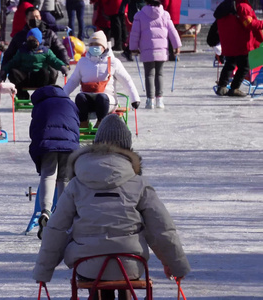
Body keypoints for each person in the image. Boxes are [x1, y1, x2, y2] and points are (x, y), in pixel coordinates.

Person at [33, 114, 191, 300]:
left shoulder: (76, 184)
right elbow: (162, 228)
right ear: (127, 149)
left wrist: (43, 272)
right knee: (123, 272)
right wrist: (175, 265)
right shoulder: (138, 183)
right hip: (131, 263)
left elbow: (56, 229)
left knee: (96, 273)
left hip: (88, 264)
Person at [28, 85, 80, 240]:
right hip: (69, 145)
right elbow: (76, 125)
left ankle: (45, 211)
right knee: (64, 178)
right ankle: (62, 214)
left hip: (47, 145)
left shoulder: (41, 104)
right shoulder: (70, 103)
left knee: (47, 176)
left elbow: (34, 130)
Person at [64, 31, 140, 128]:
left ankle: (101, 123)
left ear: (104, 46)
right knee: (80, 97)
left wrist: (135, 99)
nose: (93, 47)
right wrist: (61, 95)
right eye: (91, 44)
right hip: (88, 100)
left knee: (101, 98)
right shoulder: (83, 62)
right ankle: (83, 123)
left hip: (107, 101)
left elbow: (126, 80)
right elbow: (73, 81)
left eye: (97, 44)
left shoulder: (113, 62)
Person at [129, 0, 181, 109]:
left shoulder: (139, 15)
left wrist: (133, 48)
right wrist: (177, 46)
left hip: (147, 50)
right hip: (161, 50)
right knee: (159, 74)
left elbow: (135, 33)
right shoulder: (165, 14)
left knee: (149, 75)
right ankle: (159, 100)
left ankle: (150, 100)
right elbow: (173, 31)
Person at [0, 28, 69, 99]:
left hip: (39, 78)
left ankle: (42, 94)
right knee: (13, 72)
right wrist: (4, 71)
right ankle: (22, 95)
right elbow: (13, 62)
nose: (31, 41)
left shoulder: (45, 51)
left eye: (34, 39)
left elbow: (54, 60)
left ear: (39, 40)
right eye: (29, 39)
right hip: (25, 78)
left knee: (45, 72)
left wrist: (62, 66)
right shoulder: (22, 51)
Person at [214, 0, 263, 97]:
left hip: (230, 41)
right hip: (241, 42)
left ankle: (222, 86)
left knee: (230, 64)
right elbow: (249, 24)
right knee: (245, 66)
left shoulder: (228, 5)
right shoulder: (242, 6)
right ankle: (234, 88)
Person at [3, 7, 70, 69]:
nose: (35, 20)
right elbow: (9, 54)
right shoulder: (19, 36)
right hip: (24, 69)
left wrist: (65, 64)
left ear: (40, 18)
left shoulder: (49, 34)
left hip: (44, 68)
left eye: (37, 17)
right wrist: (3, 70)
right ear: (26, 19)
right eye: (32, 17)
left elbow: (60, 49)